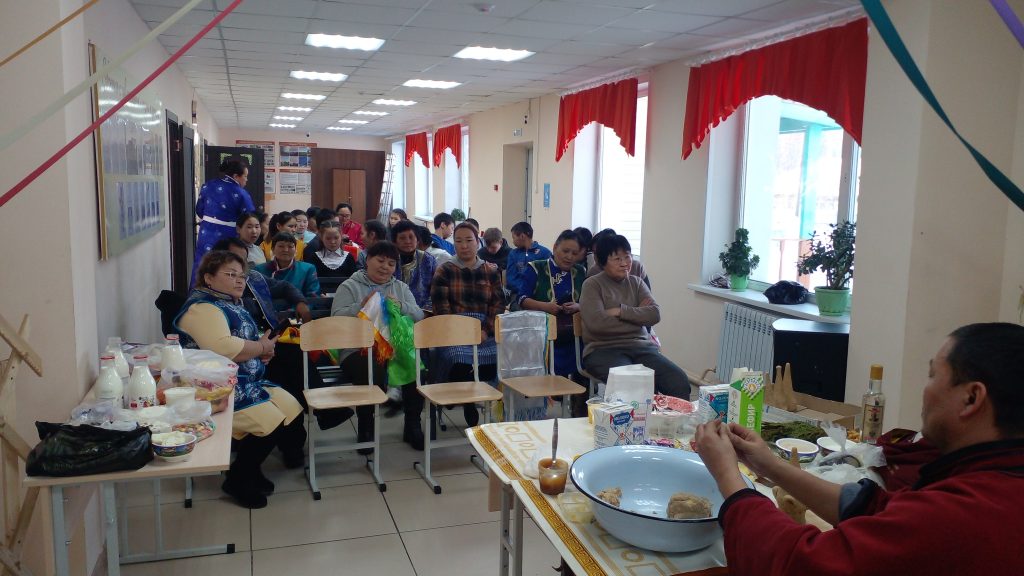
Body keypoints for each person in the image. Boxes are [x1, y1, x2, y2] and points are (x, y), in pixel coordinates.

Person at [694, 322, 1024, 576]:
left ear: (971, 398)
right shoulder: (996, 480)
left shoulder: (963, 516)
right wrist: (768, 464)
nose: (925, 391)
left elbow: (802, 563)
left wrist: (729, 478)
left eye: (932, 376)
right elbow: (879, 510)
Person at [174, 250, 304, 509]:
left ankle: (249, 468)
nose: (239, 280)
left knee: (291, 407)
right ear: (208, 278)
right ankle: (238, 478)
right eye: (230, 274)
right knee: (270, 421)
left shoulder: (231, 303)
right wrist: (261, 348)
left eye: (242, 276)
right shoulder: (202, 308)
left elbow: (247, 340)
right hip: (214, 390)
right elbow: (222, 347)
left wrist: (263, 350)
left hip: (244, 380)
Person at [214, 238, 346, 469]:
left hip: (267, 343)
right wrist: (259, 347)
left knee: (292, 359)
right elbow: (222, 342)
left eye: (243, 262)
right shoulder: (211, 298)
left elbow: (284, 287)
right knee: (288, 371)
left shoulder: (254, 277)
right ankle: (302, 434)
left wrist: (300, 302)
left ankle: (297, 440)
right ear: (214, 266)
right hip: (241, 355)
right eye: (231, 264)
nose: (239, 271)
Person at [331, 241, 426, 450]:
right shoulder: (350, 286)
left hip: (396, 349)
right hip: (357, 349)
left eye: (391, 264)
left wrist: (401, 306)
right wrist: (361, 306)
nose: (385, 267)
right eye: (380, 261)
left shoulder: (400, 287)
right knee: (371, 369)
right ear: (367, 261)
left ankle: (413, 425)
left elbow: (419, 315)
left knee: (416, 364)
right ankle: (366, 428)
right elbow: (336, 320)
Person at [578, 234, 689, 399]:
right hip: (603, 349)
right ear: (602, 262)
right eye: (617, 259)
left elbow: (654, 314)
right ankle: (638, 416)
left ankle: (669, 417)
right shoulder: (592, 285)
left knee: (678, 381)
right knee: (634, 384)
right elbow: (597, 324)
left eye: (627, 257)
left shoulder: (637, 283)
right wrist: (638, 318)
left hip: (642, 348)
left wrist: (620, 311)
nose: (624, 263)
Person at [430, 222, 505, 427]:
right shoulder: (444, 270)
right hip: (453, 332)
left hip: (484, 332)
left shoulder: (490, 271)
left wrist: (485, 330)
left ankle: (474, 395)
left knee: (500, 358)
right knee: (458, 359)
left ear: (477, 242)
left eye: (469, 240)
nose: (464, 246)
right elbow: (441, 308)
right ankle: (469, 403)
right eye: (458, 241)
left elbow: (498, 305)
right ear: (453, 243)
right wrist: (461, 332)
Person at [519, 230, 587, 387]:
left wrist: (578, 306)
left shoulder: (580, 272)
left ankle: (578, 397)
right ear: (555, 247)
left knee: (583, 366)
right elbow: (522, 299)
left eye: (574, 253)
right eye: (565, 251)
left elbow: (589, 302)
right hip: (542, 335)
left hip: (574, 336)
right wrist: (545, 306)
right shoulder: (536, 267)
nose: (569, 256)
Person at [191, 157, 254, 286]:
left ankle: (196, 292)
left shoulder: (208, 185)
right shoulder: (241, 193)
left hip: (206, 232)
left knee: (202, 263)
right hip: (228, 233)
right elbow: (249, 217)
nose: (246, 180)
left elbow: (199, 210)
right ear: (236, 176)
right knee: (226, 264)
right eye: (245, 176)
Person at [391, 220, 437, 312]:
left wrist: (425, 312)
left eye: (411, 237)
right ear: (395, 241)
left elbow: (435, 289)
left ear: (417, 240)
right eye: (402, 238)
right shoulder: (389, 259)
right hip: (393, 309)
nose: (407, 241)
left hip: (423, 312)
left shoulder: (428, 260)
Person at [255, 233, 320, 297]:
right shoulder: (259, 270)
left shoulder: (308, 269)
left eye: (290, 246)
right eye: (281, 246)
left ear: (296, 250)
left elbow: (313, 296)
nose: (286, 250)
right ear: (272, 249)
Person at [586, 228, 651, 289]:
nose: (597, 257)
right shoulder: (593, 273)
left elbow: (647, 293)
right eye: (594, 253)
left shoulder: (637, 268)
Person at [506, 221, 552, 304]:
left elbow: (549, 278)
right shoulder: (513, 254)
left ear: (522, 236)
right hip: (518, 294)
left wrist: (535, 290)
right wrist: (526, 289)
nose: (513, 241)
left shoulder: (545, 253)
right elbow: (511, 279)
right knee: (518, 309)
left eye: (513, 238)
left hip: (540, 295)